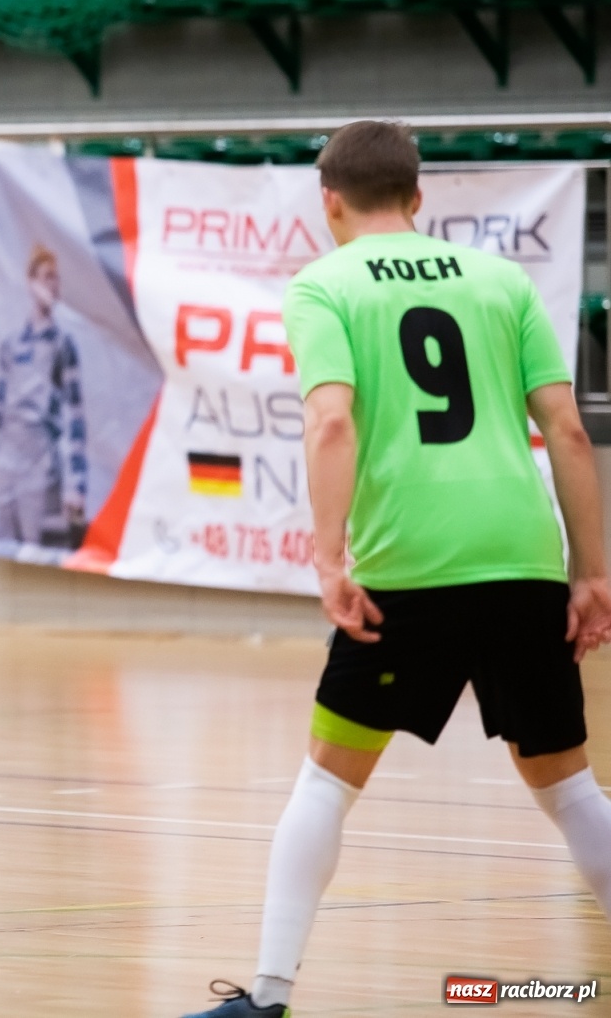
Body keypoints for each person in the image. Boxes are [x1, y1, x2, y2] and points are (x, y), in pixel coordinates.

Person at [183, 120, 611, 1017]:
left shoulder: (324, 285)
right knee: (571, 788)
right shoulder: (501, 282)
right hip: (522, 559)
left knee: (327, 782)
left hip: (408, 574)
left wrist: (328, 555)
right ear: (420, 198)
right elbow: (568, 432)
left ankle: (266, 996)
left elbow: (330, 424)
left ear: (327, 200)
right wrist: (591, 573)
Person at [0, 245, 87, 549]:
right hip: (6, 467)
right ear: (31, 281)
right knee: (0, 546)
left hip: (41, 468)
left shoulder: (62, 344)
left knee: (37, 550)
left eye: (57, 279)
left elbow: (75, 418)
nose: (53, 285)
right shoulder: (12, 345)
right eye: (47, 277)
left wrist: (77, 485)